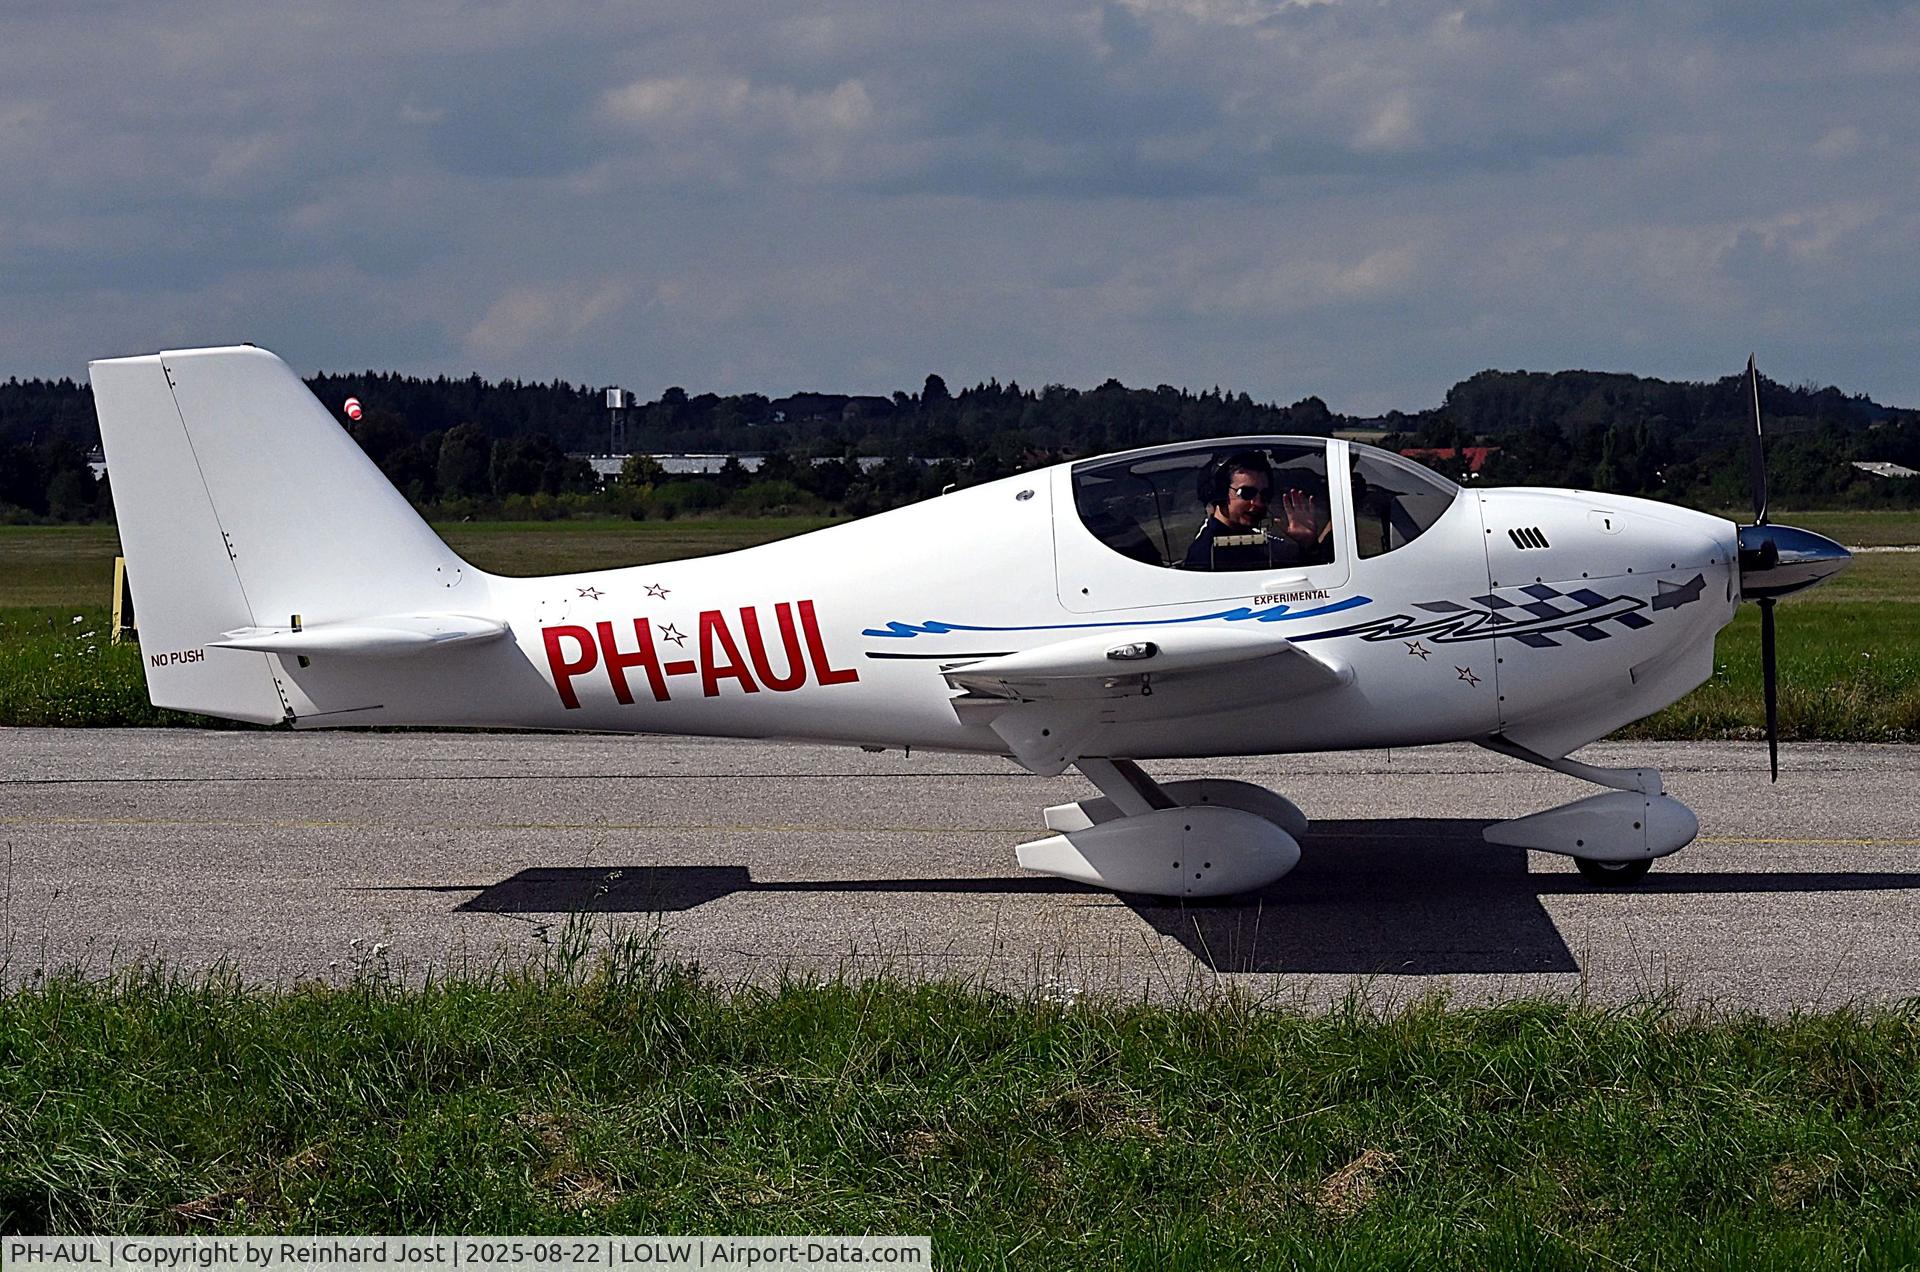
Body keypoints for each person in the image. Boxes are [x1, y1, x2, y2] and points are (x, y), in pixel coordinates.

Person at [1182, 451, 1326, 570]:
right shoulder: (1209, 555)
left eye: (1264, 494)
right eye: (1246, 493)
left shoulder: (1249, 540)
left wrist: (1308, 544)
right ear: (1219, 493)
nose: (1257, 503)